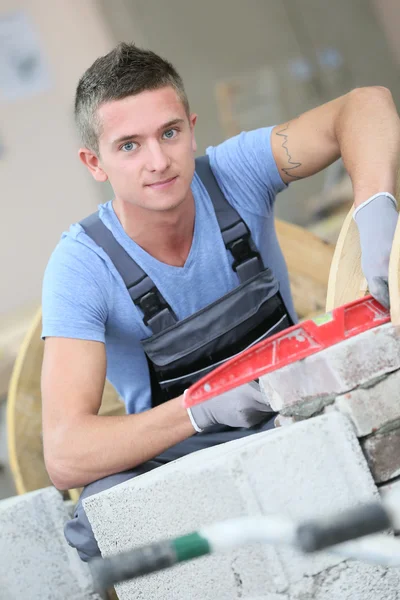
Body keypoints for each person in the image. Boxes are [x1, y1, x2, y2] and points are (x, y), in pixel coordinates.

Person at [41, 42, 400, 561]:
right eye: (129, 146)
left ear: (191, 126)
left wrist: (375, 204)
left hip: (299, 403)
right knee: (101, 516)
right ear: (94, 163)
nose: (159, 161)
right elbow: (66, 454)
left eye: (169, 133)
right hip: (189, 454)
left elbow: (365, 104)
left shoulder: (235, 175)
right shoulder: (81, 266)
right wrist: (201, 409)